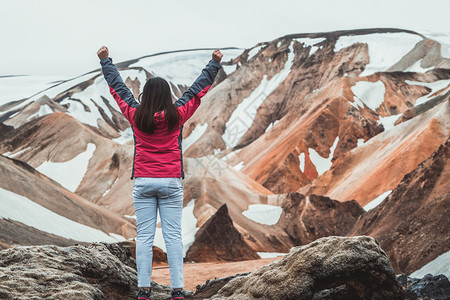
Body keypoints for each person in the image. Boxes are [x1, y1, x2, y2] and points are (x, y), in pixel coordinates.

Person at [97, 46, 223, 300]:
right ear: (167, 96)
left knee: (144, 237)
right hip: (170, 182)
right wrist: (213, 64)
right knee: (173, 235)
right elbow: (196, 92)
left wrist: (105, 62)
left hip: (143, 181)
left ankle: (143, 290)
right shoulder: (177, 115)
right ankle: (177, 290)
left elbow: (119, 90)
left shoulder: (135, 115)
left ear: (145, 96)